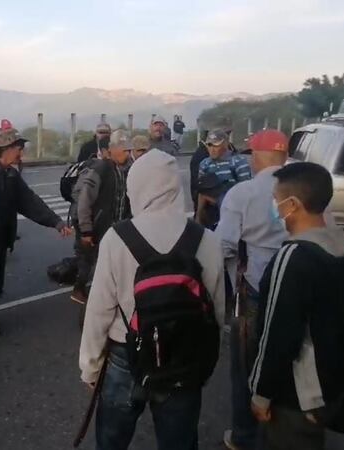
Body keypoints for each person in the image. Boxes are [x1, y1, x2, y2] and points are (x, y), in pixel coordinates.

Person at [79, 149, 226, 450]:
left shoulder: (118, 237)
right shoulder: (205, 239)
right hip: (183, 354)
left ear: (137, 186)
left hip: (124, 354)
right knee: (179, 440)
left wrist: (90, 365)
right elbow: (216, 310)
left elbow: (99, 310)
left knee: (112, 440)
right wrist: (204, 363)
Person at [249, 162, 344, 450]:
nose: (275, 207)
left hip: (298, 397)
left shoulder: (293, 257)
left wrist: (261, 394)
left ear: (293, 204)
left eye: (276, 200)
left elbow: (276, 335)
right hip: (334, 390)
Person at [214, 130, 291, 450]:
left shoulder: (242, 193)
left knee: (246, 366)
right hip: (298, 288)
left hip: (255, 292)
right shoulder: (306, 188)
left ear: (257, 157)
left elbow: (223, 246)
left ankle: (244, 437)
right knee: (289, 359)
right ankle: (286, 431)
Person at [0, 128, 72, 335]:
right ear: (5, 149)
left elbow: (29, 202)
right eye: (19, 148)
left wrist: (56, 222)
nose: (21, 153)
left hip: (0, 238)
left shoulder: (10, 174)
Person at [70, 130, 132, 305]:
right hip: (97, 227)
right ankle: (81, 292)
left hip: (114, 227)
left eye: (128, 149)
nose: (127, 153)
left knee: (106, 263)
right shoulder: (101, 169)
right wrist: (86, 230)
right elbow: (84, 201)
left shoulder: (125, 170)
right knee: (88, 261)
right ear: (111, 149)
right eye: (123, 149)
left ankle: (104, 295)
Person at [196, 129, 252, 227]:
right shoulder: (205, 164)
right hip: (212, 212)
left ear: (225, 144)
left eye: (216, 145)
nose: (212, 149)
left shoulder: (237, 161)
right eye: (209, 145)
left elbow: (246, 190)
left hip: (234, 210)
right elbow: (201, 191)